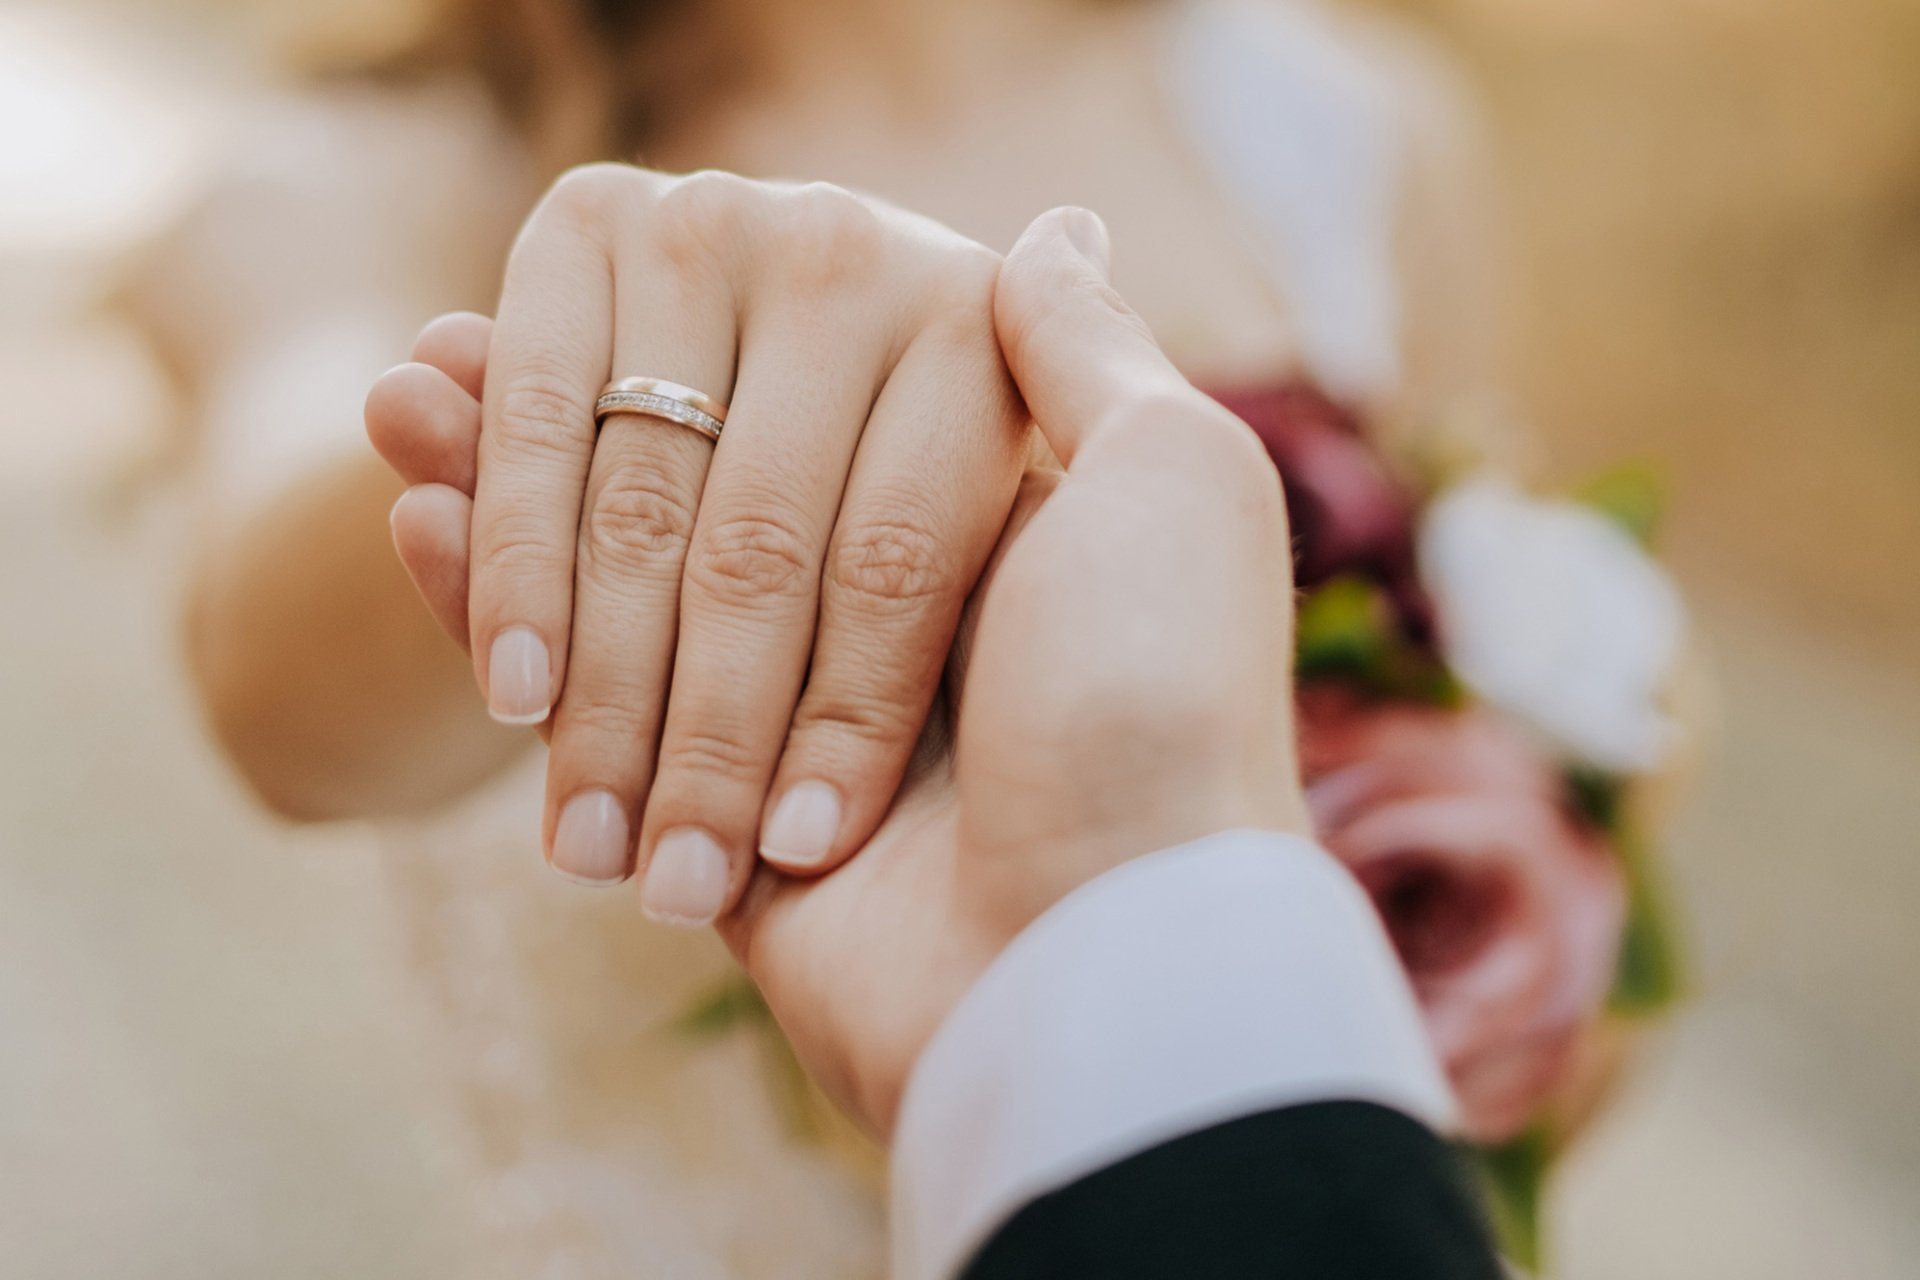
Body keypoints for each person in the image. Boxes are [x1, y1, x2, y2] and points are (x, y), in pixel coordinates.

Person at [148, 0, 1501, 1272]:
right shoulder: (348, 184)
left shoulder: (1348, 127)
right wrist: (579, 435)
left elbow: (1488, 736)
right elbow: (280, 704)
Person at [376, 202, 1507, 1278]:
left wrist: (1125, 886)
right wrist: (550, 434)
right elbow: (283, 703)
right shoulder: (379, 162)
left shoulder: (1356, 112)